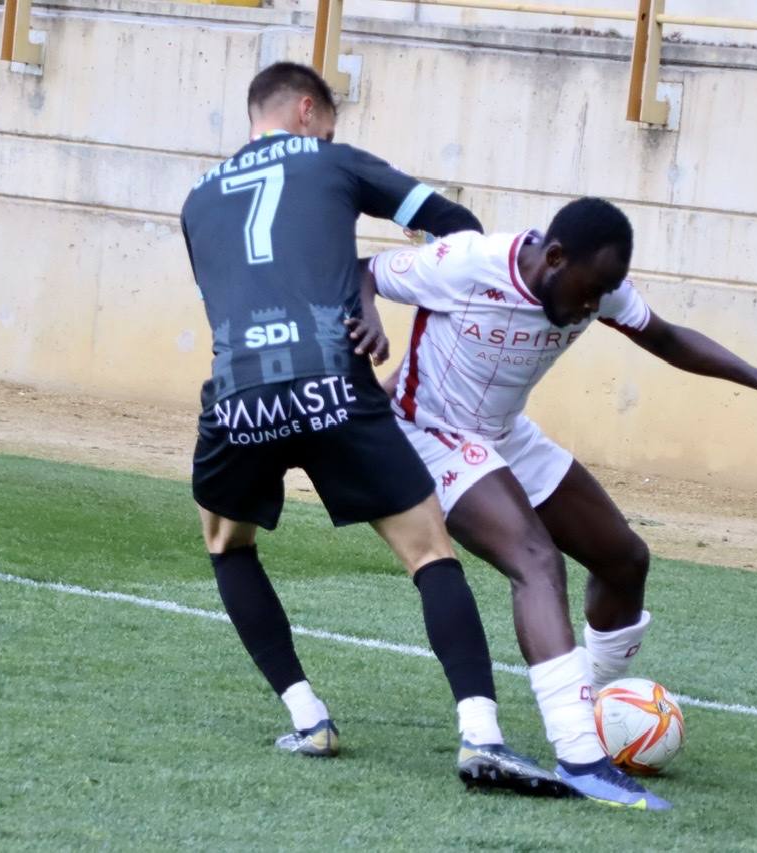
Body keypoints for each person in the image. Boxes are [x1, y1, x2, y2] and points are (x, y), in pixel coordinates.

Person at [180, 61, 567, 797]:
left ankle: (308, 715)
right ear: (304, 110)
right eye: (328, 121)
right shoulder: (336, 162)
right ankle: (481, 735)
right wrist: (370, 291)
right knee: (429, 552)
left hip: (240, 394)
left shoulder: (197, 200)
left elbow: (231, 294)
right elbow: (461, 231)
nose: (329, 134)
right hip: (334, 378)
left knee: (226, 544)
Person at [358, 197, 757, 809]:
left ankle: (588, 699)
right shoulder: (467, 263)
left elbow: (665, 337)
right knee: (536, 560)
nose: (590, 307)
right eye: (586, 292)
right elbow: (365, 272)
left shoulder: (598, 288)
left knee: (624, 559)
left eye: (603, 295)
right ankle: (581, 756)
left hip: (503, 433)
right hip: (429, 429)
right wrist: (366, 315)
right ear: (553, 258)